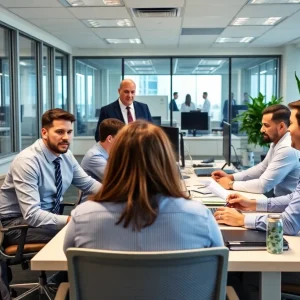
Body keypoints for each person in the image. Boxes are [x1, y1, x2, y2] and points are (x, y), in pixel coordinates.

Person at [64, 120, 223, 252]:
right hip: (177, 291)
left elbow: (68, 259)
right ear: (166, 161)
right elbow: (217, 261)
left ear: (117, 161)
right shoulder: (200, 217)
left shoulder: (82, 218)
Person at [0, 109, 102, 295]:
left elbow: (87, 183)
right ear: (44, 132)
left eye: (69, 132)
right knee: (86, 236)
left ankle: (59, 281)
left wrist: (122, 193)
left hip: (44, 218)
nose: (66, 138)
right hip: (16, 225)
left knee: (88, 231)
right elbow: (31, 215)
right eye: (59, 132)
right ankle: (69, 286)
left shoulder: (65, 155)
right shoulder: (27, 161)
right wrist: (71, 221)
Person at [213, 100, 300, 236]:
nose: (289, 130)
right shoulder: (278, 143)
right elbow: (293, 198)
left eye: (292, 124)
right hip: (284, 208)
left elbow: (290, 224)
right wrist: (251, 204)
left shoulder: (287, 148)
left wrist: (243, 219)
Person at [212, 104, 300, 197]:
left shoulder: (287, 148)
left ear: (281, 127)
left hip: (288, 205)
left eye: (266, 125)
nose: (262, 130)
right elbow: (262, 168)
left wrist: (230, 184)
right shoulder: (277, 142)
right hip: (279, 200)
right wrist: (231, 177)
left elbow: (263, 186)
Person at [81, 118, 125, 183]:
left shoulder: (109, 152)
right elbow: (118, 180)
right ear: (110, 139)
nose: (124, 141)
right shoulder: (94, 156)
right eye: (121, 137)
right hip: (97, 192)